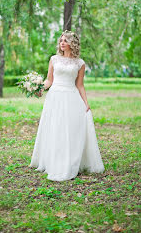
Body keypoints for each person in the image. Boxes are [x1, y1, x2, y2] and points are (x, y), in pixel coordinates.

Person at [29, 30, 104, 181]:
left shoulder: (80, 63)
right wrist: (39, 89)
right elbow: (49, 80)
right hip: (55, 97)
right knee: (55, 128)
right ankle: (53, 160)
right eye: (61, 40)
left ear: (72, 43)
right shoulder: (54, 59)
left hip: (71, 98)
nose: (62, 43)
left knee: (69, 130)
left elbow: (80, 85)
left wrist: (86, 103)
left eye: (65, 40)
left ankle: (69, 160)